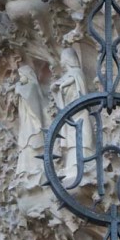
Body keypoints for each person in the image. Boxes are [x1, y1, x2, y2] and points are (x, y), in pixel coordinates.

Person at [52, 47, 95, 187]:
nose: (61, 62)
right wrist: (57, 89)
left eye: (63, 59)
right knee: (72, 142)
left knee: (82, 138)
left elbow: (79, 88)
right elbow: (59, 90)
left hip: (80, 112)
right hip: (70, 114)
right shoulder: (67, 76)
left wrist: (62, 85)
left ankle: (85, 165)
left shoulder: (77, 73)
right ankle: (72, 167)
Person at [15, 65, 45, 190]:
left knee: (32, 145)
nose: (20, 78)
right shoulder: (25, 88)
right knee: (25, 147)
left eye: (21, 75)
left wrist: (18, 88)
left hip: (33, 124)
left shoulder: (31, 87)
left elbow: (27, 96)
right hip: (26, 124)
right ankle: (25, 172)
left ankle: (36, 170)